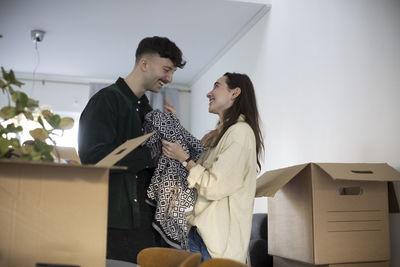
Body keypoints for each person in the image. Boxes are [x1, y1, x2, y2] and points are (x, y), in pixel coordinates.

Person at [78, 36, 186, 263]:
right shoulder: (107, 100)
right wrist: (152, 155)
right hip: (116, 222)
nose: (169, 78)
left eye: (173, 72)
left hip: (145, 220)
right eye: (166, 69)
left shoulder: (145, 108)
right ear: (144, 64)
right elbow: (94, 158)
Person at [162, 72, 264, 263]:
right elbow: (195, 167)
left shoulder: (240, 134)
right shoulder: (218, 136)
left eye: (216, 86)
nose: (208, 93)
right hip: (198, 233)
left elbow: (212, 186)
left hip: (216, 244)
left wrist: (184, 159)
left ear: (235, 93)